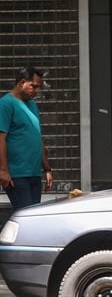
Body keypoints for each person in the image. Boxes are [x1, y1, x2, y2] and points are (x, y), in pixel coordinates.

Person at [0, 67, 53, 210]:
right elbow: (1, 138)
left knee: (33, 217)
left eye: (38, 87)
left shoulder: (33, 105)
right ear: (22, 82)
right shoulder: (6, 104)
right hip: (17, 175)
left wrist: (47, 169)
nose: (36, 91)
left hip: (34, 174)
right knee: (26, 216)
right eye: (33, 86)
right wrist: (3, 170)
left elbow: (37, 137)